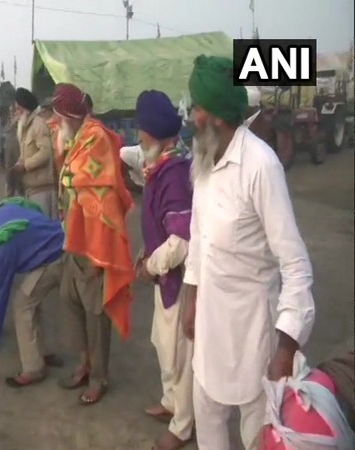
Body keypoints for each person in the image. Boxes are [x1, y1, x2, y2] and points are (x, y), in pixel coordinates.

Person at [181, 55, 316, 450]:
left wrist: (286, 348)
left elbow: (296, 265)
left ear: (217, 117)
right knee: (207, 419)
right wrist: (191, 296)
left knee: (256, 436)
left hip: (252, 333)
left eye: (197, 107)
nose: (191, 115)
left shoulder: (260, 166)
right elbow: (198, 233)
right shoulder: (204, 158)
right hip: (209, 325)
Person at [54, 83, 135, 405]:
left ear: (69, 116)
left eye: (58, 117)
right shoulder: (75, 137)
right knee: (69, 298)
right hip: (74, 235)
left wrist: (68, 176)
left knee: (95, 309)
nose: (55, 123)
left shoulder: (96, 137)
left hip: (95, 239)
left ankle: (99, 377)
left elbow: (95, 181)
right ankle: (84, 362)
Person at [133, 90, 194, 450]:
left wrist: (151, 265)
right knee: (163, 342)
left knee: (180, 352)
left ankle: (183, 425)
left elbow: (181, 241)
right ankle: (171, 403)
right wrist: (147, 257)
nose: (139, 142)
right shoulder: (161, 167)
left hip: (179, 277)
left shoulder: (174, 174)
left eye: (142, 137)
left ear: (159, 138)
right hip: (162, 274)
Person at [0, 197, 65, 387]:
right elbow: (33, 207)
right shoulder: (2, 210)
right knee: (30, 298)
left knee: (22, 304)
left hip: (57, 257)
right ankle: (38, 354)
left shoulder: (1, 249)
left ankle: (33, 368)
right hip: (62, 237)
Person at [12, 88, 58, 219]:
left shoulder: (39, 125)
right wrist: (17, 166)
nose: (16, 112)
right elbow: (25, 154)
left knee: (45, 228)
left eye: (17, 108)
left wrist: (25, 165)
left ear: (24, 108)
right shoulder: (25, 126)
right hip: (31, 187)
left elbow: (46, 152)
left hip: (42, 188)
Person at [3, 106, 24, 196]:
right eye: (12, 112)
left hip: (18, 157)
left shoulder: (22, 124)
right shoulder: (9, 126)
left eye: (16, 111)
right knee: (10, 180)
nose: (14, 114)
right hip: (10, 158)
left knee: (20, 183)